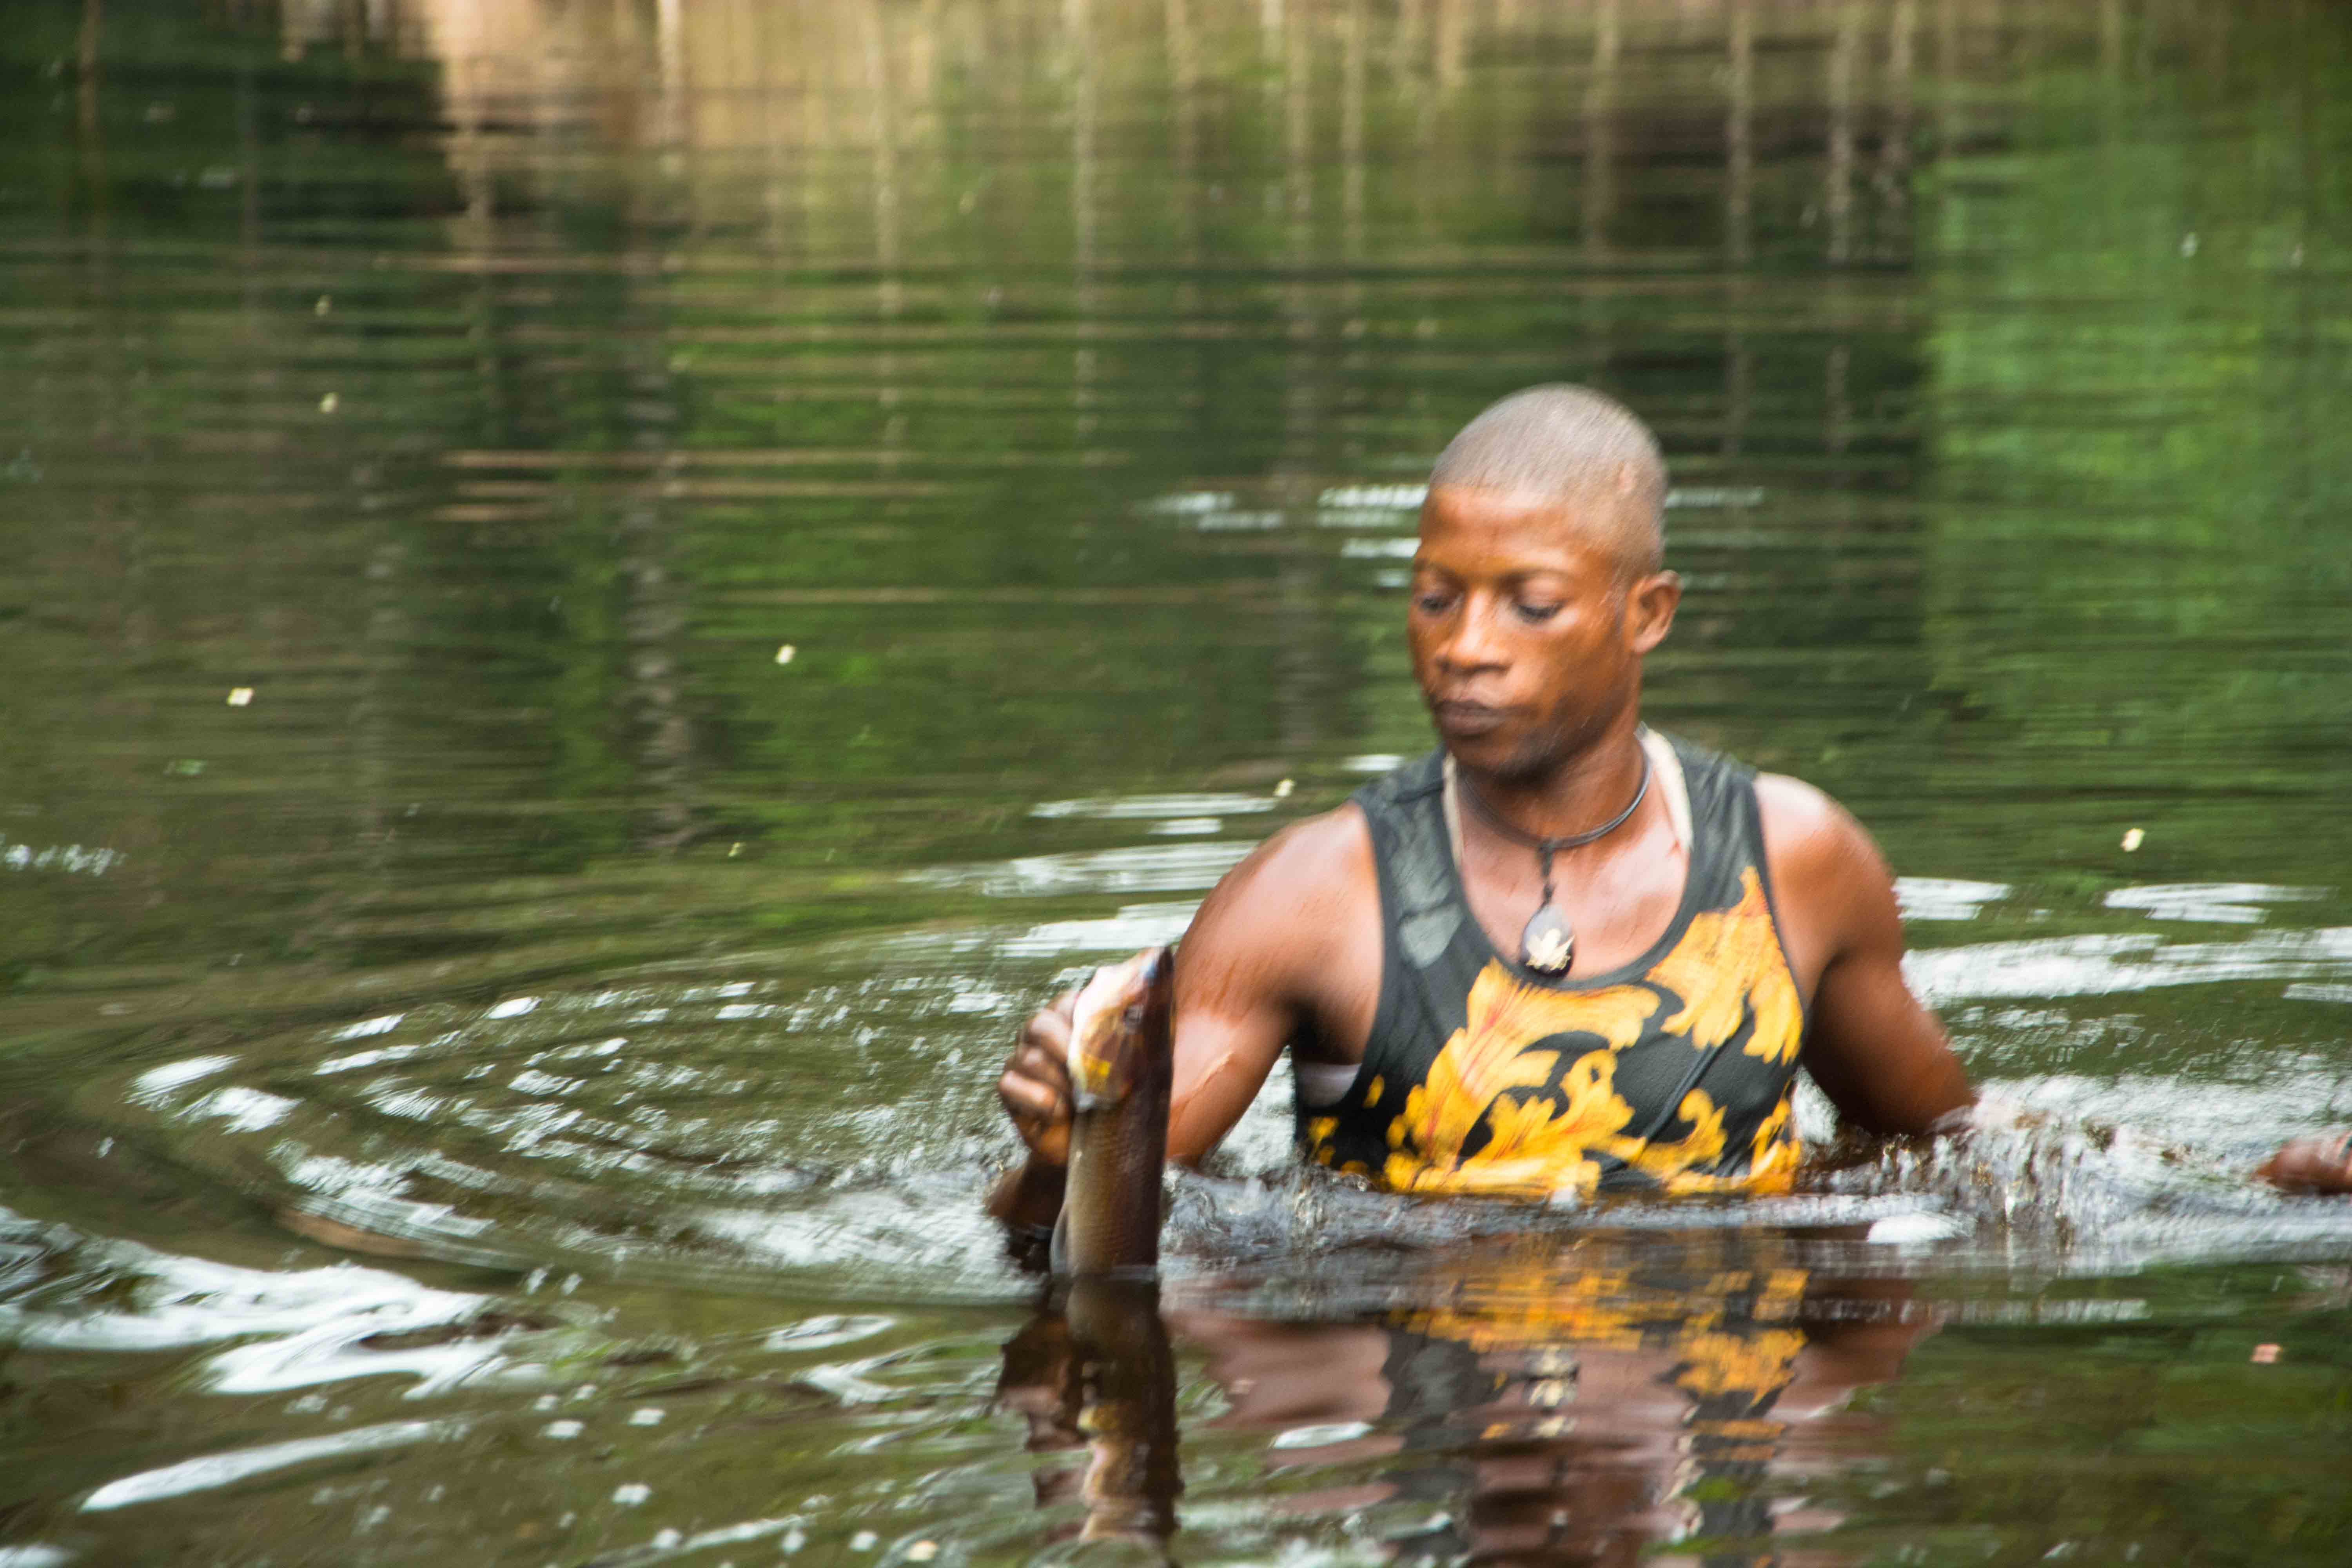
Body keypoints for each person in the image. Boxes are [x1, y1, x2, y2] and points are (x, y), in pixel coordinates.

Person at [991, 382, 1977, 1231]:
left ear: (1649, 613)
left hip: (1699, 1401)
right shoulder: (1316, 894)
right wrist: (1059, 1152)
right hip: (1417, 1403)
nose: (1466, 644)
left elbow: (1951, 1150)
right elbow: (1102, 1216)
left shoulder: (1793, 860)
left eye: (1530, 604)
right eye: (1434, 597)